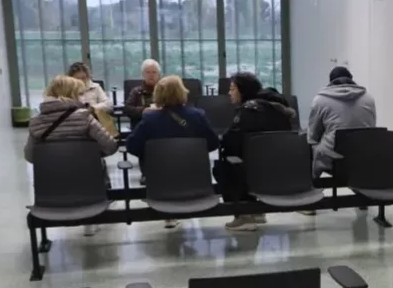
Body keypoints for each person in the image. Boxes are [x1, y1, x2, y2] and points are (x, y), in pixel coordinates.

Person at [24, 75, 119, 236]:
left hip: (51, 189)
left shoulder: (36, 122)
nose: (83, 97)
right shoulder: (85, 118)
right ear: (71, 95)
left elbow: (31, 157)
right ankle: (93, 218)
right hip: (89, 187)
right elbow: (110, 146)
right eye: (80, 93)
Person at [125, 76, 221, 229]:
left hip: (159, 183)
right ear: (182, 92)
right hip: (195, 179)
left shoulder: (149, 119)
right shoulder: (198, 116)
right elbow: (213, 144)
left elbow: (132, 146)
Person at [216, 71, 296, 232]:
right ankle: (257, 211)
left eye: (232, 89)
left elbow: (229, 141)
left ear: (243, 90)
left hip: (254, 175)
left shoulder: (247, 112)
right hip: (282, 171)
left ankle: (244, 215)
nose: (229, 93)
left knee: (226, 163)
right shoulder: (279, 109)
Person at [308, 66, 377, 175]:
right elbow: (371, 128)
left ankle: (312, 184)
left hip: (332, 159)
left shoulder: (320, 100)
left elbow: (312, 137)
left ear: (330, 82)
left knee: (311, 146)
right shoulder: (369, 98)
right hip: (363, 157)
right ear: (352, 79)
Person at [124, 59, 162, 125]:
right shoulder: (136, 91)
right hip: (141, 125)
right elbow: (128, 109)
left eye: (154, 72)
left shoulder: (164, 91)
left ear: (158, 75)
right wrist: (144, 110)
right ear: (143, 74)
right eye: (148, 72)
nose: (151, 75)